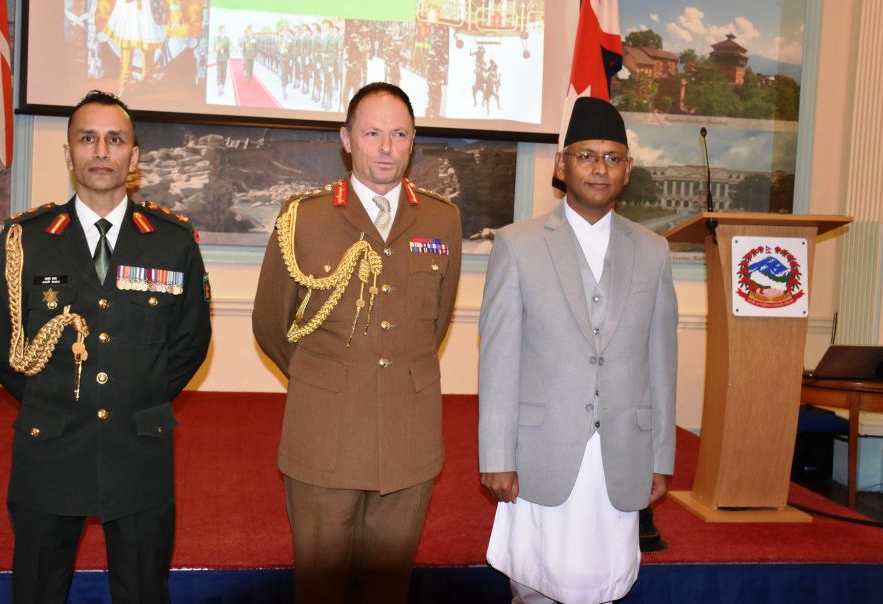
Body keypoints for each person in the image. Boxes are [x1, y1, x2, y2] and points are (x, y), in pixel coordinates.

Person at [0, 90, 212, 604]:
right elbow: (0, 343)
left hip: (138, 446)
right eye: (87, 139)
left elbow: (190, 342)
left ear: (134, 155)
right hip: (50, 446)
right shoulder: (25, 239)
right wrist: (51, 399)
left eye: (115, 139)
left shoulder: (171, 240)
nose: (101, 151)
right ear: (69, 154)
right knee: (38, 589)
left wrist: (140, 395)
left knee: (144, 590)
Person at [252, 82, 462, 604]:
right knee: (319, 589)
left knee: (388, 590)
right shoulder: (304, 217)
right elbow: (271, 323)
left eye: (399, 135)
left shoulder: (443, 218)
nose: (386, 148)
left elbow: (434, 325)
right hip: (325, 435)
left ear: (413, 141)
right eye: (372, 134)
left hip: (408, 438)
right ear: (346, 139)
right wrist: (323, 377)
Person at [478, 96, 678, 604]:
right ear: (561, 165)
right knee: (535, 582)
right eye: (586, 156)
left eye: (612, 158)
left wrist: (661, 456)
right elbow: (499, 360)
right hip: (541, 453)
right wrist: (496, 455)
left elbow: (662, 364)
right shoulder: (517, 244)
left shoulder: (653, 251)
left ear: (628, 170)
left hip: (621, 453)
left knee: (604, 582)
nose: (599, 168)